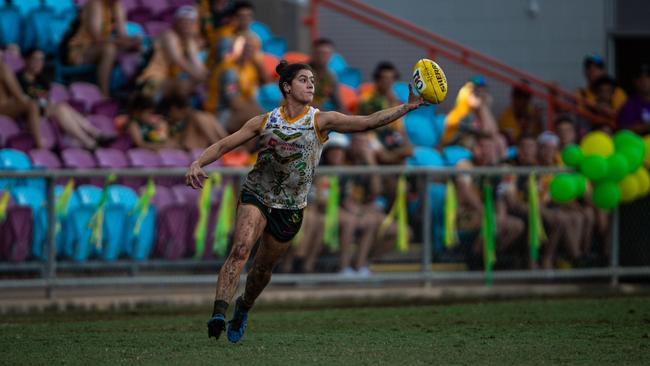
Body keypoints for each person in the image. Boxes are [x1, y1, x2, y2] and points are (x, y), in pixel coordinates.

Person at [185, 60, 426, 343]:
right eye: (303, 79)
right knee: (240, 249)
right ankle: (218, 312)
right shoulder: (264, 121)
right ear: (287, 87)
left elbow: (366, 122)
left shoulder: (320, 120)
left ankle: (244, 307)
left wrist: (406, 108)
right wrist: (198, 162)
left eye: (312, 79)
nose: (311, 84)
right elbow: (226, 143)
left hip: (290, 207)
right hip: (257, 195)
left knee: (262, 270)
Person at [18, 49, 113, 150]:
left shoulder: (42, 81)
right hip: (30, 114)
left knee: (62, 106)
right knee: (61, 108)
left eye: (41, 60)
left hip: (45, 111)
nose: (38, 63)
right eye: (35, 59)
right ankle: (90, 139)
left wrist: (48, 106)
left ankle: (93, 135)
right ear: (26, 60)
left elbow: (46, 100)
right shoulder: (19, 80)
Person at [61, 0, 141, 96]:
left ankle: (133, 94)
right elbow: (97, 38)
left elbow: (122, 36)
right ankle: (104, 94)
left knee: (138, 47)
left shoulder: (117, 5)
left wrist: (131, 41)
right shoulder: (95, 3)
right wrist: (122, 42)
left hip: (99, 47)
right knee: (109, 50)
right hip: (80, 50)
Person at [136, 6, 207, 99]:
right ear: (177, 22)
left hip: (167, 79)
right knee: (182, 86)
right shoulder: (169, 36)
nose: (187, 25)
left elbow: (197, 64)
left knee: (193, 85)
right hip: (150, 79)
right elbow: (177, 59)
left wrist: (206, 76)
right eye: (184, 22)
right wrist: (199, 76)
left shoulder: (189, 42)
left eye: (190, 22)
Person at [204, 34, 264, 133]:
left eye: (250, 48)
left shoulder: (250, 69)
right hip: (218, 114)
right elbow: (233, 102)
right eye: (244, 46)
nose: (247, 50)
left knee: (260, 117)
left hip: (236, 112)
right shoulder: (228, 70)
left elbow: (251, 99)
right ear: (235, 48)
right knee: (255, 118)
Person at [357, 61, 413, 165]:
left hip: (390, 136)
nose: (388, 82)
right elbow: (364, 124)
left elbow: (399, 128)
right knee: (380, 154)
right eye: (384, 78)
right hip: (372, 135)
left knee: (407, 152)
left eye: (391, 78)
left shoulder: (395, 101)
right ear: (377, 80)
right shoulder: (367, 99)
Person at [158, 93, 227, 151]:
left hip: (205, 151)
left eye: (169, 113)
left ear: (174, 109)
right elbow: (223, 137)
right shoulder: (206, 116)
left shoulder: (198, 117)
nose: (170, 116)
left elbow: (217, 140)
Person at [0, 59, 43, 148]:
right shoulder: (3, 68)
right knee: (32, 105)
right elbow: (18, 95)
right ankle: (39, 146)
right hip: (3, 107)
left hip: (7, 105)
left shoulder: (43, 81)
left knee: (32, 104)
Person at [309, 38, 343, 112]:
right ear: (313, 53)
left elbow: (338, 103)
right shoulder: (302, 72)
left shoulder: (331, 75)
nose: (323, 57)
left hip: (320, 113)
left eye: (327, 53)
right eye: (320, 53)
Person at [617, 63, 650, 135]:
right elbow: (623, 130)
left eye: (648, 76)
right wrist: (646, 127)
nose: (644, 80)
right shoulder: (629, 105)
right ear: (634, 81)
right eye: (639, 77)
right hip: (638, 144)